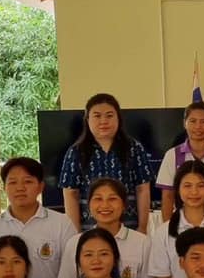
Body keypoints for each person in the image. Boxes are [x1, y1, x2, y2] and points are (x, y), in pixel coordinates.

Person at [0, 158, 79, 278]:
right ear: (4, 187)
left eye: (28, 181)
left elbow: (72, 275)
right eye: (13, 182)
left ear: (41, 187)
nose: (20, 188)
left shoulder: (62, 224)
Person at [59, 93, 155, 232]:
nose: (103, 121)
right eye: (97, 116)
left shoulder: (134, 148)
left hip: (129, 229)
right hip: (90, 230)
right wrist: (76, 232)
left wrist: (142, 227)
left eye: (109, 115)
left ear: (118, 119)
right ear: (87, 120)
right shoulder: (76, 152)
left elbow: (143, 189)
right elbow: (70, 193)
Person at [54, 179, 154, 278]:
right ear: (89, 205)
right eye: (98, 199)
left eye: (112, 199)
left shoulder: (142, 242)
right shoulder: (75, 243)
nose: (105, 205)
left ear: (124, 205)